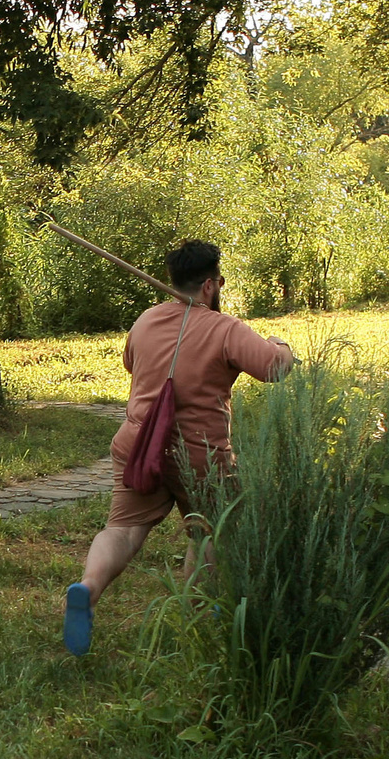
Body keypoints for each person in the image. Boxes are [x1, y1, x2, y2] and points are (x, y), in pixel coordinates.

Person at [64, 239, 295, 655]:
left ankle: (88, 586)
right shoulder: (227, 329)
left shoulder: (146, 321)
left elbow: (132, 365)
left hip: (138, 444)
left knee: (123, 528)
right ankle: (195, 622)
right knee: (210, 532)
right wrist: (282, 344)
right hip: (201, 455)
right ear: (212, 284)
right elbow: (275, 369)